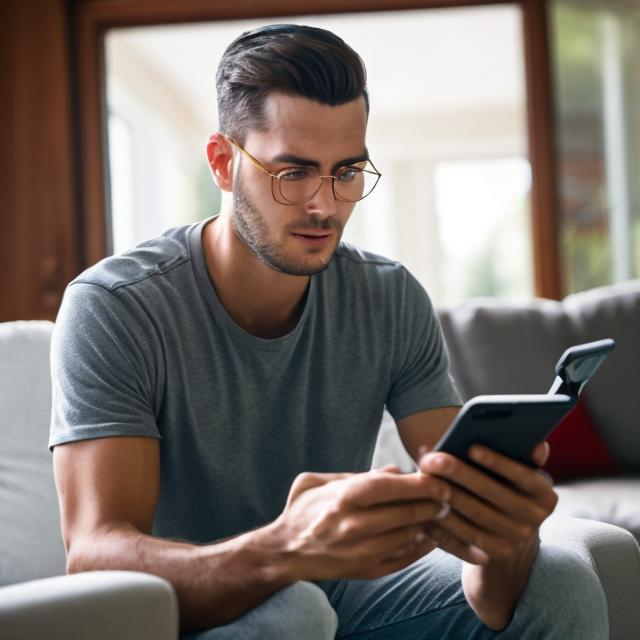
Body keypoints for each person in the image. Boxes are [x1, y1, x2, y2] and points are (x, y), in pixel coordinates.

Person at [50, 24, 607, 639]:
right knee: (294, 613)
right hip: (185, 609)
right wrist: (284, 550)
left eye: (347, 171)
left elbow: (490, 594)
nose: (325, 206)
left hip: (340, 590)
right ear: (222, 163)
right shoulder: (115, 308)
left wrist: (506, 535)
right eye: (293, 174)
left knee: (559, 576)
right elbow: (94, 555)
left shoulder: (389, 298)